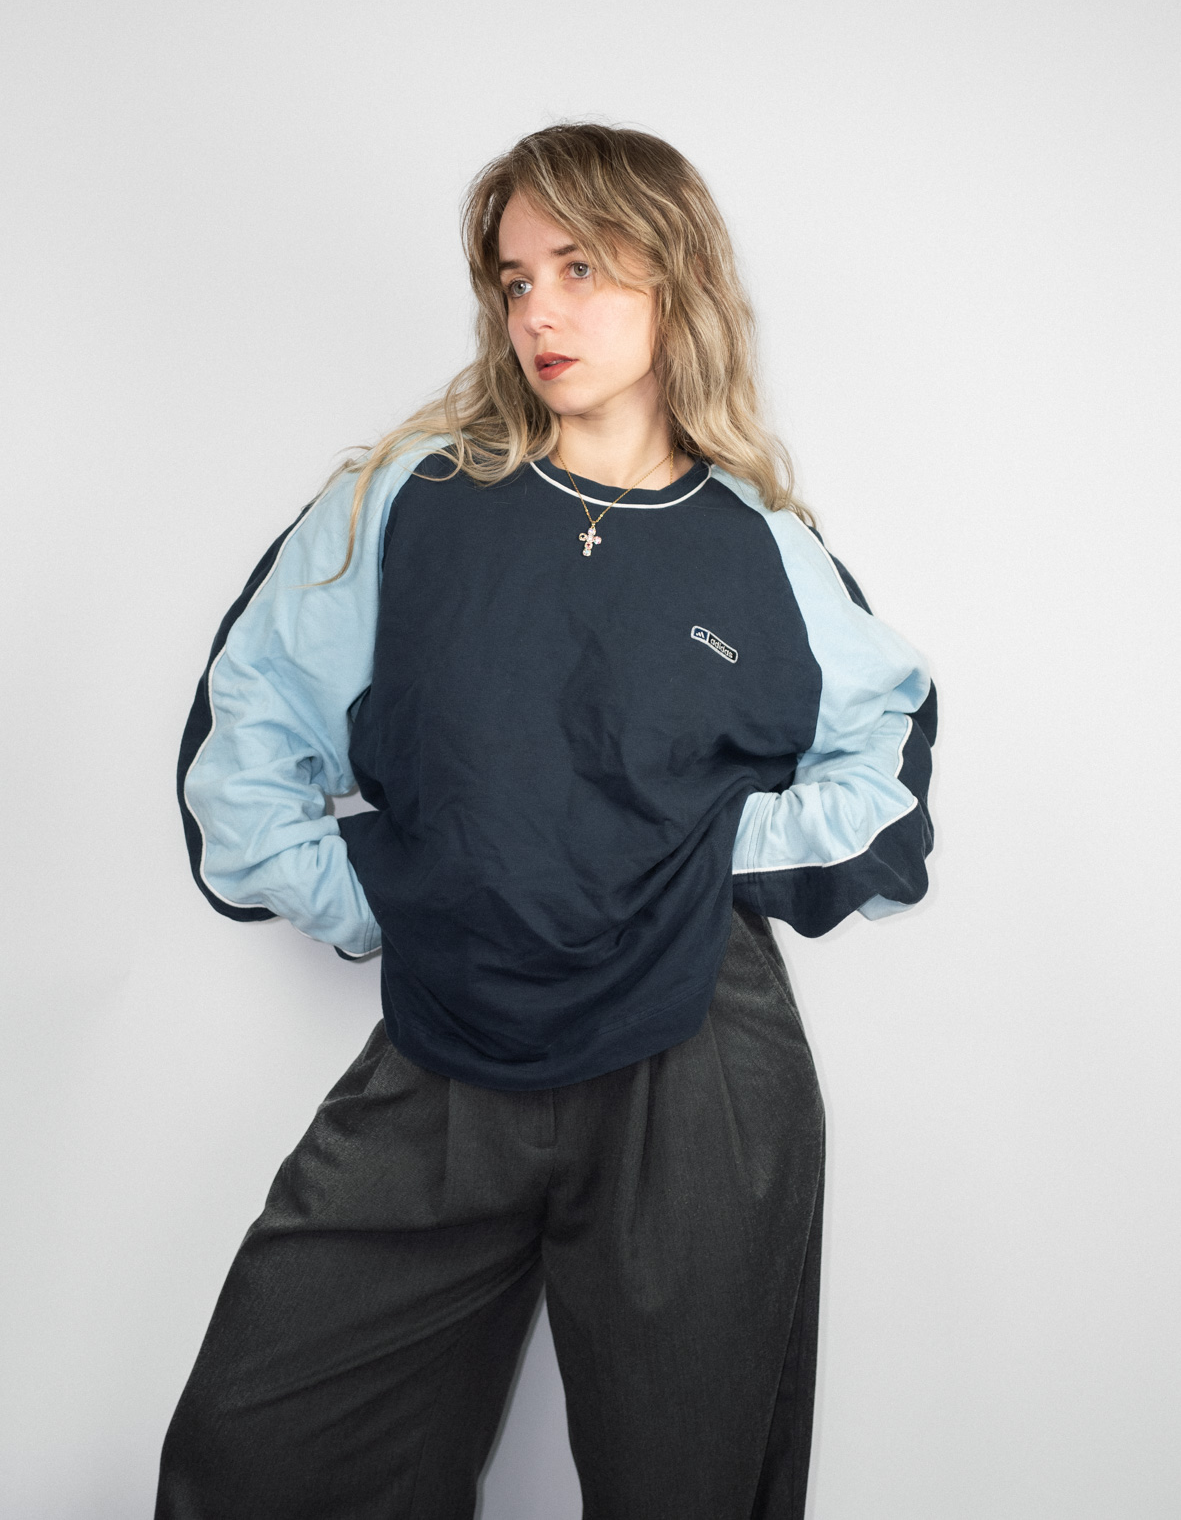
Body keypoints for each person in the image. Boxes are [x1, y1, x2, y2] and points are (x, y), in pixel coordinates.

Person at [157, 122, 936, 1520]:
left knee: (687, 1490)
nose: (539, 313)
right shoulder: (409, 501)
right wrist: (404, 895)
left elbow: (886, 764)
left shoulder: (759, 546)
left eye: (579, 268)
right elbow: (242, 743)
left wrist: (690, 860)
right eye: (515, 280)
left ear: (674, 275)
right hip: (446, 1052)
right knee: (260, 1457)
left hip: (697, 1066)